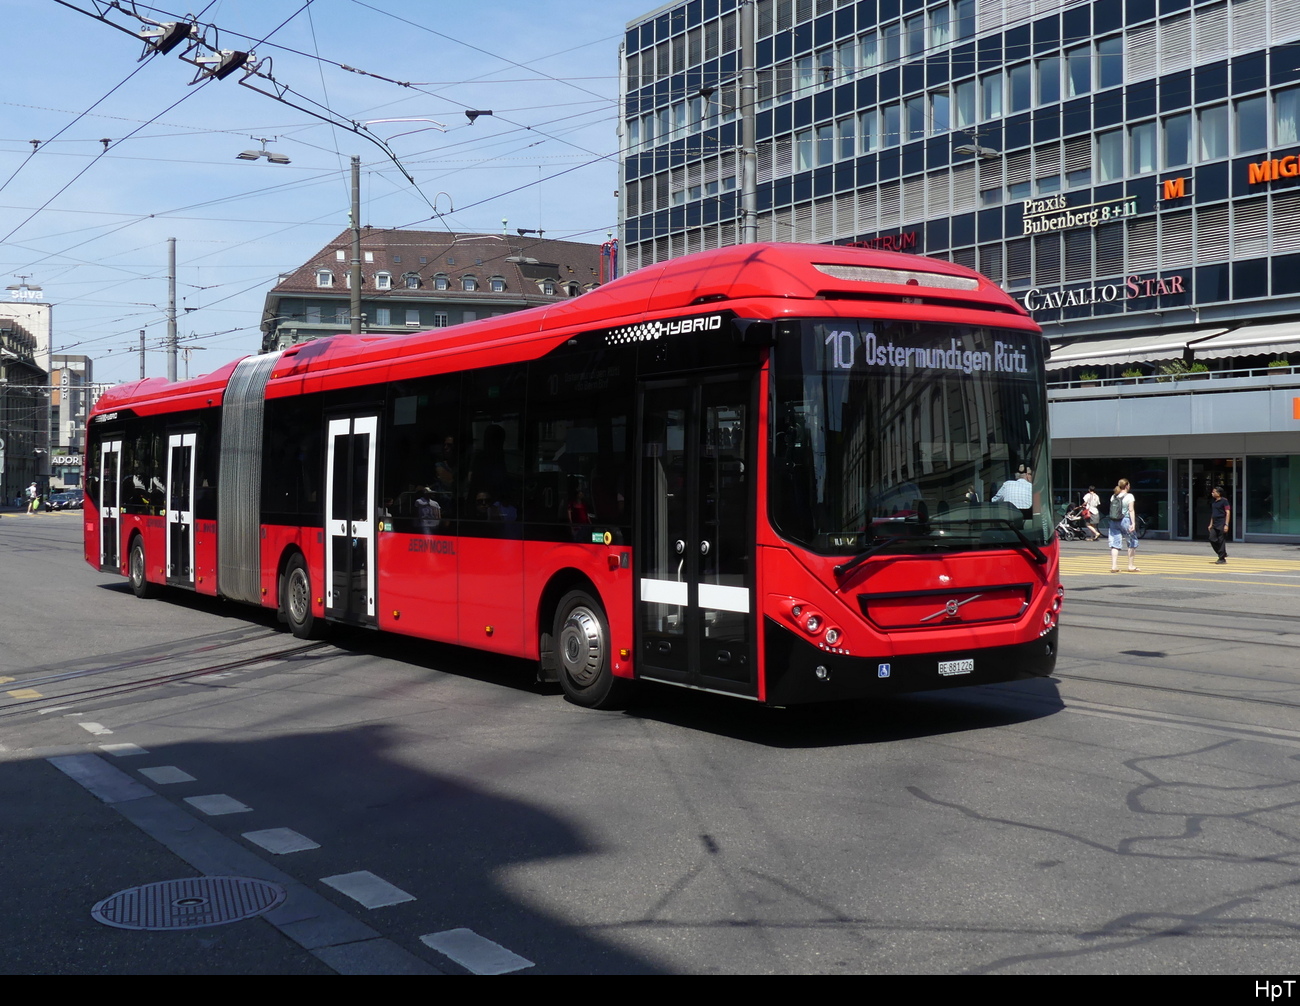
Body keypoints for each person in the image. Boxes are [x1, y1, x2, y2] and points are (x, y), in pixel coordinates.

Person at [1108, 478, 1139, 572]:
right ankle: (1130, 566)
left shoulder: (1114, 496)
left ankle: (1114, 566)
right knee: (1132, 541)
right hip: (1125, 520)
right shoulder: (1129, 496)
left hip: (1113, 520)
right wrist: (1133, 523)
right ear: (1126, 486)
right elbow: (1131, 510)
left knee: (1114, 543)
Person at [1208, 485, 1230, 564]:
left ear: (1219, 493)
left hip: (1221, 522)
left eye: (1214, 492)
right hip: (1215, 523)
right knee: (1212, 538)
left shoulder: (1224, 501)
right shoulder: (1214, 502)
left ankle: (1222, 558)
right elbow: (1213, 514)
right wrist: (1210, 524)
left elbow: (1227, 512)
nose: (1212, 493)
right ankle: (1222, 553)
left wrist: (1226, 524)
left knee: (1221, 540)